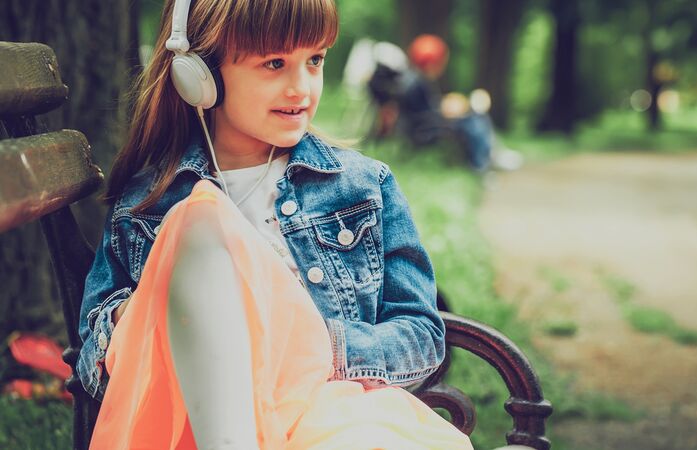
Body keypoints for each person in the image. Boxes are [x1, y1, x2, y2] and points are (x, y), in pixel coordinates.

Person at [75, 1, 472, 449]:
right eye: (275, 63)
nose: (301, 88)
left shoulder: (363, 187)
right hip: (199, 428)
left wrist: (310, 347)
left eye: (315, 60)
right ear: (199, 75)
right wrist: (146, 316)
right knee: (200, 220)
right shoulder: (149, 207)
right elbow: (95, 359)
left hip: (329, 418)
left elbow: (421, 334)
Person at [368, 35, 523, 173]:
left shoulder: (414, 79)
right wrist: (449, 112)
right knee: (474, 120)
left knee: (475, 117)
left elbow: (425, 108)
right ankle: (482, 163)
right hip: (423, 131)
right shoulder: (417, 82)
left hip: (422, 126)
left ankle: (490, 154)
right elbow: (425, 114)